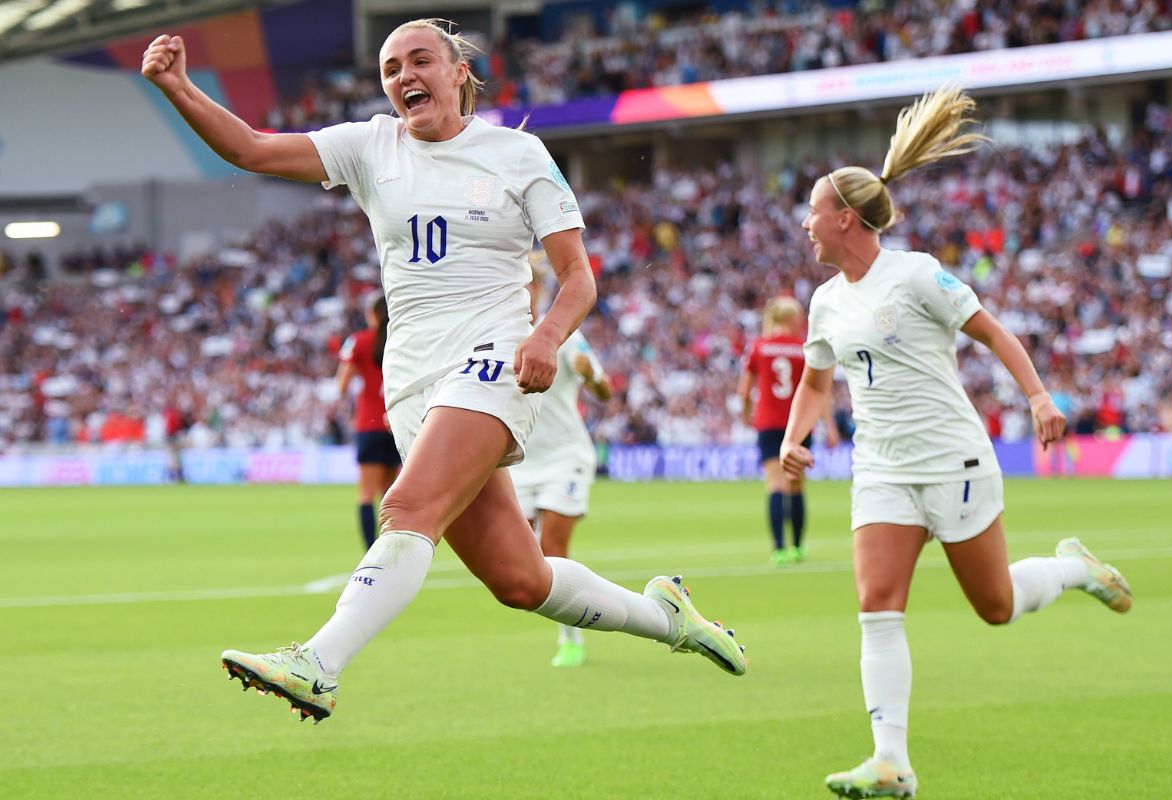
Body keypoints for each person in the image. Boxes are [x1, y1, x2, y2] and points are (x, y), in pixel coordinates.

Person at [140, 17, 747, 723]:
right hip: (412, 382)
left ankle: (318, 663)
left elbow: (578, 276)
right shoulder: (371, 146)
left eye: (419, 60)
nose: (404, 77)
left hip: (490, 358)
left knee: (405, 508)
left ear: (459, 71)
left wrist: (548, 335)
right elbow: (252, 148)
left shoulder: (518, 154)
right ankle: (668, 618)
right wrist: (178, 88)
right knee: (520, 580)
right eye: (391, 69)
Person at [779, 86, 1133, 798]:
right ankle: (892, 762)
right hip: (881, 468)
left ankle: (1073, 569)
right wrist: (795, 438)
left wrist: (1038, 396)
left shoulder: (915, 275)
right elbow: (818, 382)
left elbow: (995, 332)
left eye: (813, 212)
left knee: (996, 606)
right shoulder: (825, 301)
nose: (805, 225)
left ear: (845, 218)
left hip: (952, 460)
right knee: (877, 605)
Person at [510, 262, 613, 668]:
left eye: (527, 284)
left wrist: (591, 378)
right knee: (522, 562)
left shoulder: (566, 337)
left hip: (565, 457)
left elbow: (605, 392)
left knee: (552, 547)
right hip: (519, 465)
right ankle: (581, 616)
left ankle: (571, 638)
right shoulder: (493, 335)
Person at [737, 296, 837, 566]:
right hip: (800, 423)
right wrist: (829, 426)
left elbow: (744, 390)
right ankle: (797, 547)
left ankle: (779, 549)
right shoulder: (804, 348)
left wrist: (747, 414)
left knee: (775, 484)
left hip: (768, 423)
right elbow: (819, 391)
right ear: (792, 318)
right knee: (796, 485)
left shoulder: (759, 347)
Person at [335, 292, 402, 550]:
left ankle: (370, 551)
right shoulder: (401, 339)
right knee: (391, 491)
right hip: (396, 422)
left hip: (369, 423)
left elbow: (341, 384)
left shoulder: (360, 341)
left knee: (366, 492)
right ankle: (392, 547)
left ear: (372, 314)